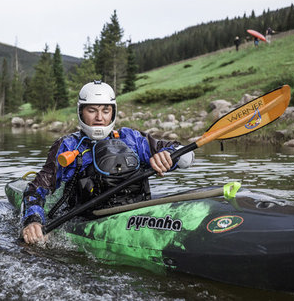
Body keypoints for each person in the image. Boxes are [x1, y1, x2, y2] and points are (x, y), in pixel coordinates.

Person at [21, 81, 195, 244]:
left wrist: (168, 156)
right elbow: (35, 189)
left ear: (113, 112)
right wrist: (34, 220)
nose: (99, 117)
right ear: (81, 111)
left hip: (137, 215)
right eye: (92, 110)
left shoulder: (132, 139)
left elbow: (188, 157)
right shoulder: (67, 145)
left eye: (105, 110)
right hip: (88, 220)